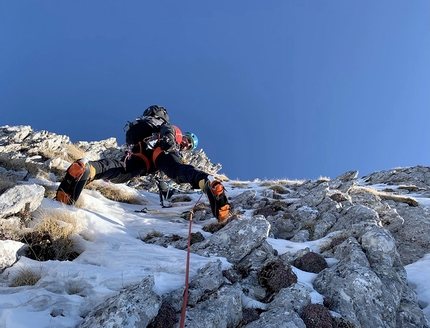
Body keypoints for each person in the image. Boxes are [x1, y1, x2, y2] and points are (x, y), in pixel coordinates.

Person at [56, 105, 231, 223]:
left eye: (189, 146)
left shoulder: (145, 124)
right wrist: (170, 141)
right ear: (182, 136)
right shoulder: (172, 131)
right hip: (159, 151)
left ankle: (88, 168)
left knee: (122, 171)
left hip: (142, 154)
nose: (186, 145)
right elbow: (168, 131)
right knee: (178, 170)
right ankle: (206, 182)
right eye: (187, 140)